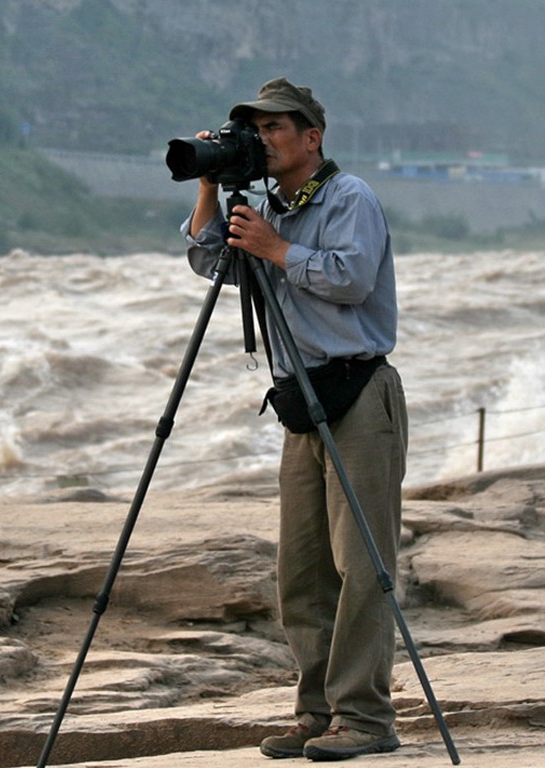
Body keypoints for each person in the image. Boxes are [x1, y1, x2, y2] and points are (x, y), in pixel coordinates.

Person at [180, 77, 408, 761]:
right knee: (303, 572)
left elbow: (352, 279)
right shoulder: (268, 205)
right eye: (254, 129)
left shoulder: (347, 198)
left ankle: (365, 719)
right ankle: (316, 712)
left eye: (276, 127)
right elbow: (206, 260)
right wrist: (210, 184)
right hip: (300, 399)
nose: (264, 139)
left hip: (358, 391)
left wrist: (277, 249)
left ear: (312, 137)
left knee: (362, 565)